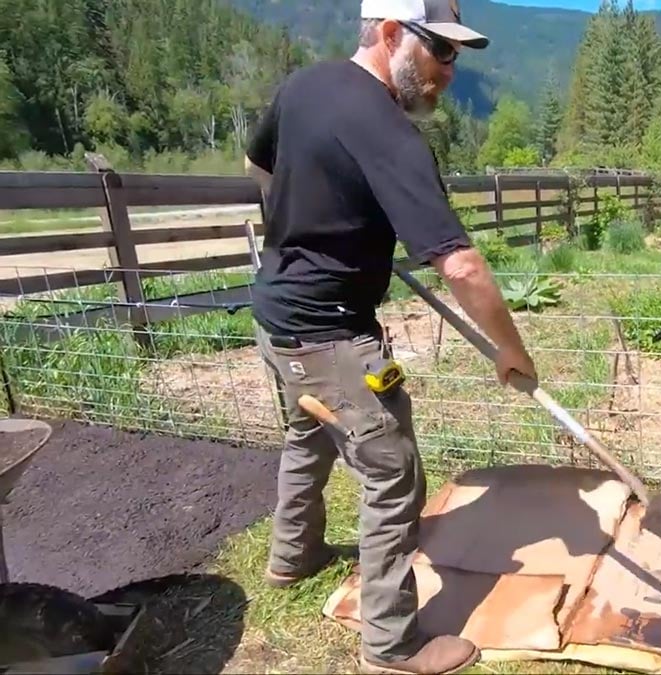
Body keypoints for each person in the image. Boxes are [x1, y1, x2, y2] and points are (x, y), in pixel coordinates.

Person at [243, 1, 538, 673]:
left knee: (306, 431)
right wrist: (510, 349)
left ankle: (293, 557)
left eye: (456, 55)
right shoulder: (389, 130)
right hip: (330, 336)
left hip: (277, 321)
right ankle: (392, 642)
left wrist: (311, 220)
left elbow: (259, 163)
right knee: (393, 473)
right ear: (389, 35)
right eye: (440, 51)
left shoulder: (303, 87)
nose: (448, 71)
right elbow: (460, 263)